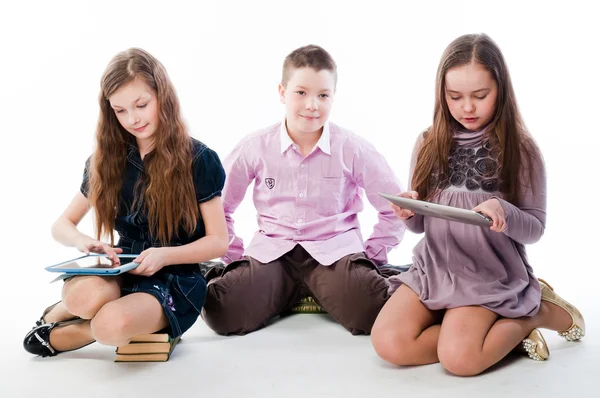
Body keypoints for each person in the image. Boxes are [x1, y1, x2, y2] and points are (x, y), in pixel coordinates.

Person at [371, 33, 585, 376]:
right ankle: (490, 332)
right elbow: (421, 225)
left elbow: (536, 228)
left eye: (480, 96)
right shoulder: (429, 142)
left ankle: (535, 312)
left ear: (500, 90)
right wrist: (409, 211)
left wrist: (505, 210)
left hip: (487, 274)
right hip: (436, 267)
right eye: (455, 97)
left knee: (460, 360)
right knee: (390, 344)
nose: (467, 107)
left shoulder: (520, 148)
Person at [23, 48, 229, 357]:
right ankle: (66, 310)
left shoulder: (199, 160)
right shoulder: (107, 161)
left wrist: (164, 255)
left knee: (111, 324)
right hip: (122, 266)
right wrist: (85, 242)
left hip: (176, 277)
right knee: (82, 297)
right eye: (120, 111)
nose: (133, 119)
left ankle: (80, 331)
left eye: (141, 105)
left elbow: (218, 242)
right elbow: (61, 226)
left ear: (163, 96)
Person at [202, 45, 406, 336]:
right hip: (274, 252)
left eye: (323, 95)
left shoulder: (353, 148)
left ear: (333, 97)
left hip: (334, 252)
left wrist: (372, 256)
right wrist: (234, 258)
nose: (312, 105)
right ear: (282, 92)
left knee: (374, 312)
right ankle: (225, 275)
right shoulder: (255, 146)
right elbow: (219, 207)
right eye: (301, 93)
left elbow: (394, 208)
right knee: (222, 312)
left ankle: (379, 275)